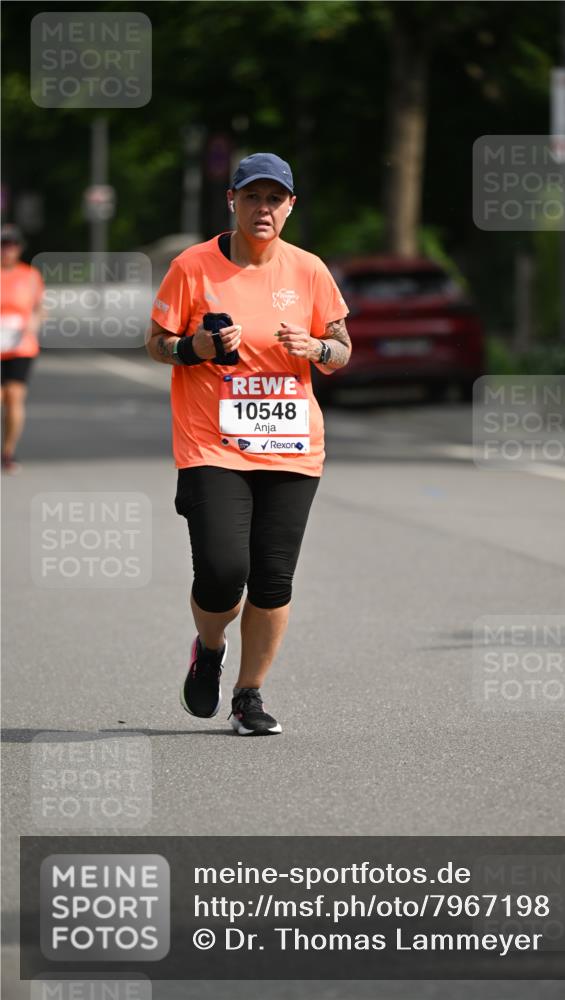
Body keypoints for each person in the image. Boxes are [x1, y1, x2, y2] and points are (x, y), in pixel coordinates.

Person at [146, 152, 351, 735]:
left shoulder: (309, 271)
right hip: (212, 444)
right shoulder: (193, 266)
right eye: (253, 197)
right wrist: (196, 350)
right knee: (220, 570)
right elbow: (158, 342)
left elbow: (341, 350)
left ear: (290, 206)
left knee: (272, 580)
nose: (264, 208)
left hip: (291, 447)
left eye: (275, 199)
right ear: (231, 201)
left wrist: (317, 351)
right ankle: (210, 647)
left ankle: (249, 696)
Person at [1, 223, 45, 474]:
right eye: (3, 245)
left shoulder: (29, 275)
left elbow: (39, 307)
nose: (7, 250)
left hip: (20, 345)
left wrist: (33, 325)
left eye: (12, 245)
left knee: (14, 396)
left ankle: (7, 452)